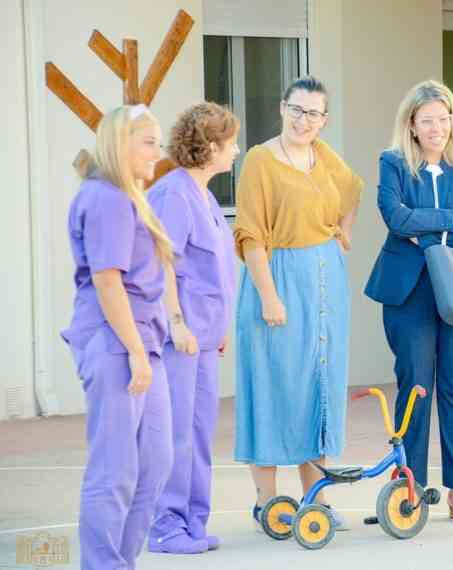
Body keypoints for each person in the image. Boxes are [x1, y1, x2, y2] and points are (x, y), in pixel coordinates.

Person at [233, 76, 363, 529]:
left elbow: (353, 189)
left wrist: (343, 233)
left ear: (324, 120)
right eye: (297, 109)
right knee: (273, 384)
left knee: (318, 387)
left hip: (326, 285)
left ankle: (316, 498)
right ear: (281, 108)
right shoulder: (260, 160)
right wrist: (269, 296)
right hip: (279, 279)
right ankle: (269, 504)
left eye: (313, 113)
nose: (303, 120)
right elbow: (249, 234)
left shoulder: (323, 156)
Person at [365, 80, 453, 522]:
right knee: (416, 383)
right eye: (427, 121)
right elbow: (395, 217)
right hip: (409, 290)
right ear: (412, 126)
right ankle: (410, 484)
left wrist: (425, 229)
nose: (437, 128)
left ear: (452, 121)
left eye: (444, 118)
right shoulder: (393, 163)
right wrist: (449, 220)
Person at [61, 104, 174, 569]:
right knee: (115, 470)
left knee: (155, 463)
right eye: (148, 142)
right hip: (116, 343)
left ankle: (120, 561)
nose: (157, 152)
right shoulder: (106, 198)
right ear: (120, 144)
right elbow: (108, 281)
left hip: (142, 340)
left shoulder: (129, 196)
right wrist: (135, 352)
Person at [147, 102, 240, 553]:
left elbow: (214, 272)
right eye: (232, 142)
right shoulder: (174, 194)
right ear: (211, 147)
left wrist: (219, 328)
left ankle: (193, 521)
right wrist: (177, 323)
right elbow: (159, 263)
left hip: (206, 338)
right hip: (180, 339)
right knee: (177, 433)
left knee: (200, 430)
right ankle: (166, 526)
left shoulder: (204, 196)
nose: (237, 150)